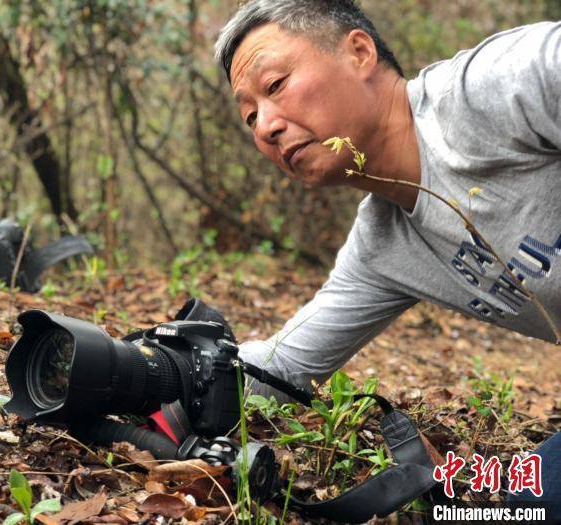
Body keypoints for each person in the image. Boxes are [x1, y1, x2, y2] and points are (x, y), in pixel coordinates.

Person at [214, 0, 560, 517]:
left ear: (359, 52)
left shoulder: (490, 90)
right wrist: (147, 373)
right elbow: (284, 366)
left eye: (276, 85)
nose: (264, 126)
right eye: (250, 116)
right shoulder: (384, 243)